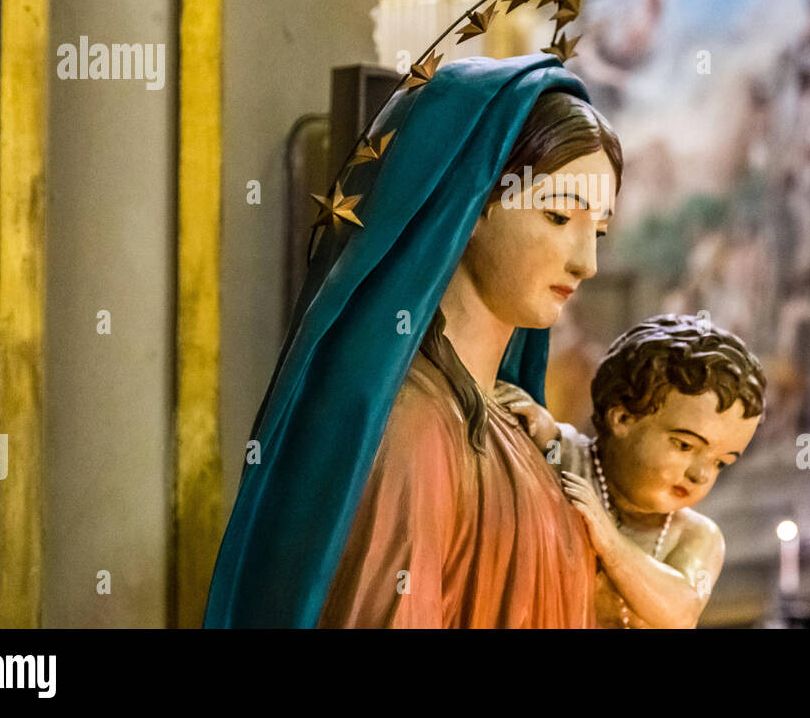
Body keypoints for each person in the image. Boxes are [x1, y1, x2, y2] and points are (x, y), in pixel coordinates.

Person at [203, 51, 622, 628]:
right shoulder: (416, 431)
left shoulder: (512, 425)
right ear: (471, 205)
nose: (587, 262)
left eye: (598, 229)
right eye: (557, 217)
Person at [505, 314, 766, 628]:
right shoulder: (570, 458)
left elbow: (682, 611)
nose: (701, 475)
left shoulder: (696, 536)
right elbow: (550, 444)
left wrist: (611, 544)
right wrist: (534, 422)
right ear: (624, 418)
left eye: (720, 461)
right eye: (685, 446)